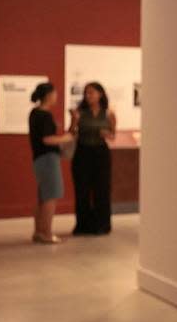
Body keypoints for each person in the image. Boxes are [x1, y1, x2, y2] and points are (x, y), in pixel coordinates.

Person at [28, 82, 75, 244]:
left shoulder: (34, 113)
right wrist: (65, 138)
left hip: (39, 159)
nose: (56, 96)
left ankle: (38, 231)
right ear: (48, 95)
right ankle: (46, 233)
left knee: (42, 196)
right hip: (48, 158)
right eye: (55, 93)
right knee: (51, 196)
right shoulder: (45, 115)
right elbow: (47, 139)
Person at [68, 82, 116, 235]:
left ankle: (101, 225)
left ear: (100, 94)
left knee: (102, 189)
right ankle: (82, 225)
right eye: (86, 93)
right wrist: (74, 121)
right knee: (82, 190)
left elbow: (113, 135)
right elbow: (71, 132)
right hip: (82, 152)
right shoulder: (80, 112)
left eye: (92, 93)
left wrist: (106, 134)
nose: (88, 96)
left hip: (101, 153)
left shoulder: (108, 113)